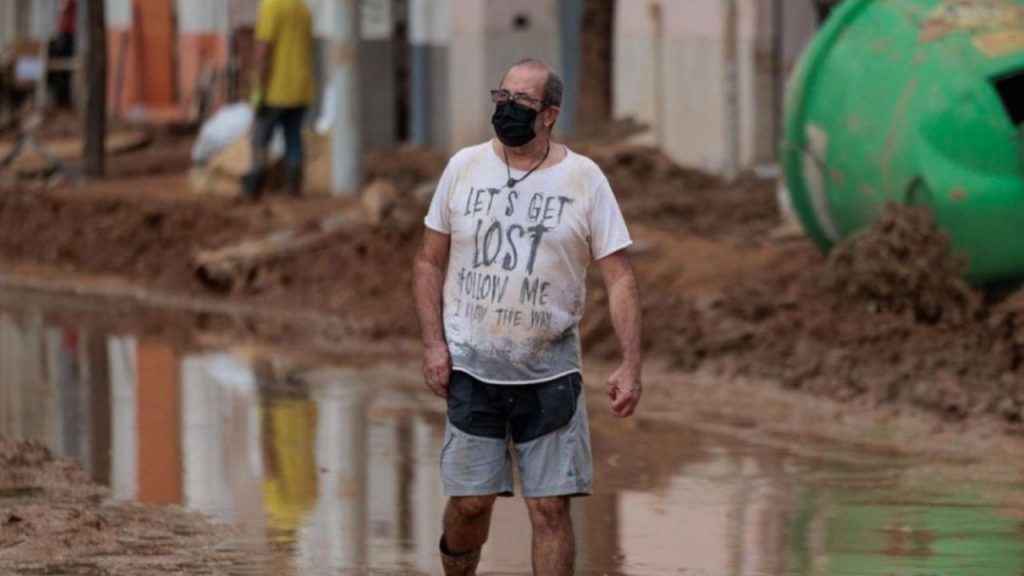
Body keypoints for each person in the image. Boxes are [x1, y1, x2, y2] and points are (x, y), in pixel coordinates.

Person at [412, 58, 643, 576]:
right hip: (472, 371)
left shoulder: (584, 179)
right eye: (502, 97)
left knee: (549, 506)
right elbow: (428, 261)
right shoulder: (463, 168)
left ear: (550, 114)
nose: (507, 109)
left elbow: (620, 277)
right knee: (471, 504)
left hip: (551, 375)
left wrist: (631, 364)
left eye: (522, 102)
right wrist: (433, 346)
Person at [243, 0, 315, 199]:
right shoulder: (303, 9)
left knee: (260, 139)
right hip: (301, 88)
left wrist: (258, 84)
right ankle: (294, 186)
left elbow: (264, 48)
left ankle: (254, 187)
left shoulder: (271, 6)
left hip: (276, 89)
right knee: (293, 138)